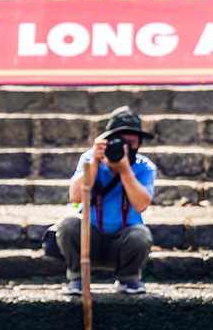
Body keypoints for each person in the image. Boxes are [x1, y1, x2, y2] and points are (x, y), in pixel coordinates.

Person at [55, 106, 156, 295]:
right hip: (89, 240)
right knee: (68, 224)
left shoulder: (144, 167)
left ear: (139, 144)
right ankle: (77, 278)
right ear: (106, 142)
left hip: (124, 243)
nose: (124, 148)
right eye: (119, 142)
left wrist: (125, 170)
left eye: (130, 143)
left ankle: (129, 278)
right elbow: (75, 197)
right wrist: (94, 161)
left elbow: (141, 205)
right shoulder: (89, 159)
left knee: (140, 235)